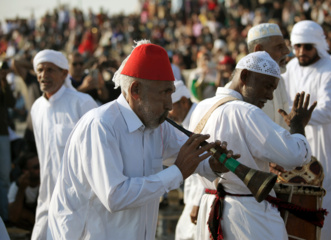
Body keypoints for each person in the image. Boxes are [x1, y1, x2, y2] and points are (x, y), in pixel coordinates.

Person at [47, 40, 232, 240]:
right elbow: (115, 196)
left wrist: (211, 164)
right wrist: (176, 173)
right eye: (164, 93)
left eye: (171, 92)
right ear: (136, 91)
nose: (170, 104)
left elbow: (188, 158)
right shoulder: (101, 126)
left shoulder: (157, 125)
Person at [189, 51, 316, 240]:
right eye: (267, 86)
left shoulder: (201, 107)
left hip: (210, 213)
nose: (270, 96)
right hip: (248, 219)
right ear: (245, 76)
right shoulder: (246, 112)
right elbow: (295, 156)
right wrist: (297, 124)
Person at [282, 20, 331, 240]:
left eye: (307, 46)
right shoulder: (291, 68)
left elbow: (328, 112)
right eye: (297, 46)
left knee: (327, 196)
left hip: (326, 144)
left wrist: (298, 119)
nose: (301, 51)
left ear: (318, 46)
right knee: (299, 196)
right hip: (299, 142)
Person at [30, 49, 98, 240]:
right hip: (46, 196)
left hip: (77, 199)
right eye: (40, 70)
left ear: (64, 73)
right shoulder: (37, 108)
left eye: (50, 70)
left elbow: (97, 154)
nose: (44, 75)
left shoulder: (82, 103)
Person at [170, 80, 203, 240]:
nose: (168, 112)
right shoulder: (185, 122)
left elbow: (203, 163)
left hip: (202, 198)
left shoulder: (200, 118)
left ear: (183, 102)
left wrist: (196, 202)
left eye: (171, 107)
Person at [246, 23, 290, 130]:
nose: (287, 51)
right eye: (279, 47)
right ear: (259, 50)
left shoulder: (280, 80)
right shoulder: (244, 88)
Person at [8, 151, 40, 231]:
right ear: (25, 171)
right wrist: (21, 189)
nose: (40, 170)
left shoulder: (47, 183)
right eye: (36, 167)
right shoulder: (16, 186)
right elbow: (13, 217)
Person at [0, 61, 15, 224]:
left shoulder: (3, 84)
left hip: (2, 133)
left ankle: (4, 217)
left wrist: (4, 82)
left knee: (4, 177)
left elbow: (10, 103)